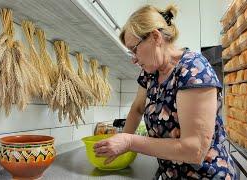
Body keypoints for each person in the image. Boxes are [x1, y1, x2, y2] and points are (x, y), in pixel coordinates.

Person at [94, 4, 237, 180]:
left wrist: (129, 142)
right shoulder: (150, 73)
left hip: (207, 175)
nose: (133, 59)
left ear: (155, 37)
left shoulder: (193, 69)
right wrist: (120, 142)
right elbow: (137, 108)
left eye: (134, 49)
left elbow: (195, 150)